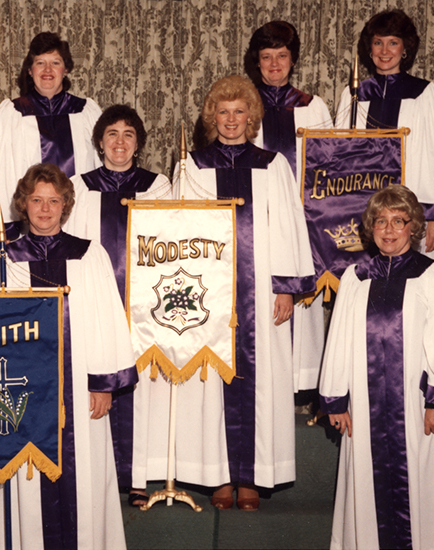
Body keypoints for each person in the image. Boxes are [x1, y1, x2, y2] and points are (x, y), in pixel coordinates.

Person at [177, 75, 315, 511]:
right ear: (211, 116)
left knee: (261, 382)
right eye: (223, 111)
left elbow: (290, 226)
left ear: (251, 117)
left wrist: (286, 288)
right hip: (207, 294)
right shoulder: (192, 166)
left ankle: (252, 476)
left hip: (260, 292)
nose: (232, 120)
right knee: (209, 382)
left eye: (240, 112)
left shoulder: (272, 164)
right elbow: (176, 234)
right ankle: (218, 476)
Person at [0, 163, 135, 550]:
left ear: (66, 205)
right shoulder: (5, 257)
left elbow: (108, 321)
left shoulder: (88, 254)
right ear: (24, 204)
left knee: (82, 474)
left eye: (53, 201)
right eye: (37, 200)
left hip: (80, 386)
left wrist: (103, 384)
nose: (45, 209)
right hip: (20, 392)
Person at [320, 185, 434, 549]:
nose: (389, 229)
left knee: (423, 488)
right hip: (365, 409)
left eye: (399, 221)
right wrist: (336, 400)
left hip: (416, 409)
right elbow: (338, 339)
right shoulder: (355, 277)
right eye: (380, 221)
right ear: (370, 227)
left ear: (413, 227)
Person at [62, 104, 171, 503]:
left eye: (128, 134)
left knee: (143, 392)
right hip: (96, 303)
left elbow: (172, 241)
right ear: (99, 142)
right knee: (98, 380)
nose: (120, 142)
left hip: (146, 300)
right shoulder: (78, 186)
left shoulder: (157, 185)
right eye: (111, 134)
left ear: (138, 142)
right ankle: (101, 478)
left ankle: (139, 476)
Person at [245, 21, 334, 397]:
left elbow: (333, 171)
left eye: (282, 56)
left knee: (306, 311)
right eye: (267, 57)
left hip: (307, 222)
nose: (275, 64)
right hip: (260, 228)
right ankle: (268, 384)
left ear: (293, 59)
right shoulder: (244, 109)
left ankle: (303, 389)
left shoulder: (313, 107)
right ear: (257, 62)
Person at [335, 9, 434, 257]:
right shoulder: (354, 94)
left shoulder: (423, 93)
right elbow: (338, 156)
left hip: (413, 213)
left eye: (393, 43)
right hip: (362, 213)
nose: (384, 51)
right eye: (378, 43)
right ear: (369, 48)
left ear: (405, 49)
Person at [0, 32, 102, 239]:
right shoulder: (13, 113)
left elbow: (100, 171)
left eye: (55, 62)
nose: (48, 70)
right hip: (28, 227)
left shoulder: (87, 112)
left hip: (80, 222)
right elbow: (0, 173)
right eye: (40, 63)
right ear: (30, 70)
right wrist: (4, 232)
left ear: (66, 70)